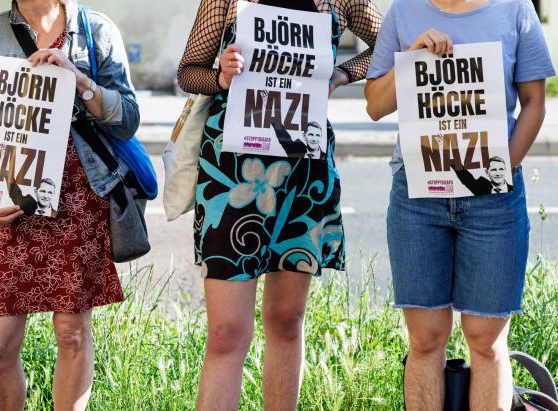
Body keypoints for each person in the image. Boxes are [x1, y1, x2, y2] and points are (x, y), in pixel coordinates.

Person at [177, 0, 381, 409]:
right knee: (226, 333)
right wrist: (220, 76)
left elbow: (391, 45)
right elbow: (187, 73)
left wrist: (340, 74)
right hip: (232, 176)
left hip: (304, 178)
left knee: (287, 322)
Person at [364, 0, 555, 409]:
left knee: (486, 342)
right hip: (418, 198)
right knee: (425, 339)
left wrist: (502, 171)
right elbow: (375, 105)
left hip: (493, 202)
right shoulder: (404, 12)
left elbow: (534, 102)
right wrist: (411, 58)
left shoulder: (514, 10)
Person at [0, 0, 139, 409]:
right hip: (10, 203)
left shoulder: (97, 31)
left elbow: (128, 119)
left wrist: (80, 81)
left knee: (72, 333)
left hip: (77, 195)